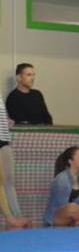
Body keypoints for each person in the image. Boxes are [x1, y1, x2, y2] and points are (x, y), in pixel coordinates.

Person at [0, 92, 28, 229]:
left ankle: (15, 215)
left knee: (8, 181)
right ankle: (11, 217)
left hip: (3, 141)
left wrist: (6, 121)